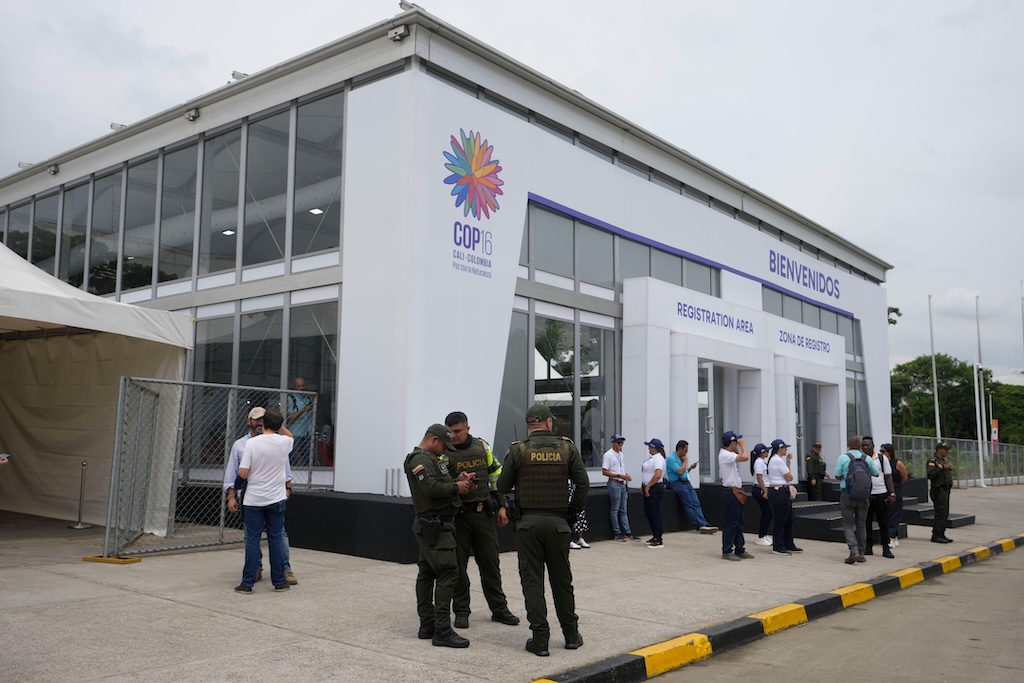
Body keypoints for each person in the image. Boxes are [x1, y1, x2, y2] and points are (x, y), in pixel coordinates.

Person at [497, 403, 588, 657]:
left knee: (532, 581)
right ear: (549, 422)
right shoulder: (567, 448)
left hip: (527, 524)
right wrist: (572, 511)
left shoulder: (518, 450)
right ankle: (571, 635)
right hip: (559, 523)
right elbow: (583, 483)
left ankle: (540, 639)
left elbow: (502, 485)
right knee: (562, 581)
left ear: (529, 424)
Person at [442, 411, 520, 630]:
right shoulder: (443, 453)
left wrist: (503, 505)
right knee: (458, 567)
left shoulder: (482, 447)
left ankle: (499, 609)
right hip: (458, 517)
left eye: (457, 431)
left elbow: (496, 477)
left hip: (483, 514)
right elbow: (439, 483)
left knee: (490, 565)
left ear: (467, 428)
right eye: (449, 432)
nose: (453, 436)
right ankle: (461, 611)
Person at [405, 423, 476, 648]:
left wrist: (459, 481)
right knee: (448, 573)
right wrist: (457, 489)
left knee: (427, 572)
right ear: (434, 440)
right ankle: (442, 629)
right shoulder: (420, 460)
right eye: (444, 445)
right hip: (435, 526)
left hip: (436, 525)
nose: (445, 450)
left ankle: (427, 625)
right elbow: (431, 489)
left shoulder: (431, 459)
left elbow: (439, 483)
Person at [224, 407, 297, 585]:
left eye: (261, 419)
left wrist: (288, 487)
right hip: (274, 498)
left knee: (260, 538)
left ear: (264, 423)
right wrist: (231, 496)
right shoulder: (281, 442)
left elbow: (241, 472)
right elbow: (290, 439)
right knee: (273, 538)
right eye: (255, 419)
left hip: (253, 498)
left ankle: (248, 581)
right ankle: (278, 579)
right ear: (249, 421)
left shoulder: (251, 445)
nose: (258, 422)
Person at [834, 435, 880, 564]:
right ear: (860, 446)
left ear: (848, 445)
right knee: (861, 524)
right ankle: (861, 552)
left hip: (847, 494)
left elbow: (837, 475)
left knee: (848, 523)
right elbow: (876, 473)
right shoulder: (866, 458)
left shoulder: (843, 457)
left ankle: (853, 551)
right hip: (864, 495)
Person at [665, 440, 717, 533]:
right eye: (685, 450)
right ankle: (699, 525)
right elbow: (679, 472)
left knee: (696, 503)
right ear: (680, 449)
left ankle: (703, 523)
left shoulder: (680, 458)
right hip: (677, 483)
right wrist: (685, 461)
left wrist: (689, 468)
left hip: (686, 482)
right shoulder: (671, 459)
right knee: (689, 504)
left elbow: (683, 472)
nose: (686, 453)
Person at [719, 431, 754, 561]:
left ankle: (739, 548)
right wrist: (743, 445)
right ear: (732, 442)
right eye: (736, 442)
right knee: (731, 523)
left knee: (739, 522)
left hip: (736, 491)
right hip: (730, 492)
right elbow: (745, 457)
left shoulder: (730, 454)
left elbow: (740, 456)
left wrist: (738, 446)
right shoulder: (725, 454)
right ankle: (727, 550)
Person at [765, 439, 801, 556]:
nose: (786, 450)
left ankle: (788, 543)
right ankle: (778, 546)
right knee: (781, 520)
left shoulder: (777, 460)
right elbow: (789, 477)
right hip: (778, 491)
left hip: (781, 490)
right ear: (780, 448)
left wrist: (788, 462)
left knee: (788, 519)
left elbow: (788, 476)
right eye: (785, 448)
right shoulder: (777, 460)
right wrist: (787, 466)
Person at [601, 434, 640, 541]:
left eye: (622, 443)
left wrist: (625, 475)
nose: (620, 445)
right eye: (618, 443)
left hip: (622, 483)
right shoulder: (608, 455)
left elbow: (619, 469)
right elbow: (604, 471)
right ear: (613, 443)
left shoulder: (621, 455)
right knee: (615, 509)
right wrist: (619, 475)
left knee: (623, 509)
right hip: (615, 483)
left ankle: (627, 532)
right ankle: (617, 533)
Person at [861, 436, 895, 558]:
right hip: (866, 495)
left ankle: (886, 548)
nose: (865, 447)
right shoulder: (860, 459)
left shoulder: (882, 458)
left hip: (880, 494)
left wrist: (892, 493)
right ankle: (868, 547)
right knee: (867, 522)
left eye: (868, 445)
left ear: (873, 445)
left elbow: (888, 476)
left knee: (883, 523)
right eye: (863, 445)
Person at [640, 438, 667, 548]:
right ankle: (654, 534)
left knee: (654, 512)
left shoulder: (658, 459)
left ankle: (658, 537)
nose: (648, 449)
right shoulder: (652, 458)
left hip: (654, 487)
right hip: (648, 486)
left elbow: (658, 474)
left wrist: (649, 486)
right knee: (648, 512)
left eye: (650, 447)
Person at [927, 441, 954, 543]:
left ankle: (942, 533)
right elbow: (930, 475)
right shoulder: (933, 461)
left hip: (945, 489)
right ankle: (936, 535)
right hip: (938, 489)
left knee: (945, 512)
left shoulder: (943, 461)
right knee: (940, 512)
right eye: (945, 450)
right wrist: (940, 469)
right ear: (939, 450)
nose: (947, 452)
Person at [882, 443, 908, 547]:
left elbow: (904, 477)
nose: (882, 453)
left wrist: (896, 486)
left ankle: (891, 537)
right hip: (885, 490)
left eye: (883, 451)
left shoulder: (897, 463)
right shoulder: (882, 462)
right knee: (886, 515)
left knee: (894, 514)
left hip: (896, 490)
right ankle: (892, 535)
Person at [286, 377, 314, 466]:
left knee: (308, 457)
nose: (301, 388)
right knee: (293, 457)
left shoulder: (308, 398)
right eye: (299, 386)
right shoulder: (291, 399)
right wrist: (303, 410)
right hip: (295, 432)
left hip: (307, 432)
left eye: (303, 386)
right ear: (295, 387)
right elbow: (290, 417)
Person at [751, 444, 773, 546]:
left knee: (767, 513)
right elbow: (759, 477)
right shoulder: (759, 462)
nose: (767, 453)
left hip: (762, 488)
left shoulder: (762, 462)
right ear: (762, 452)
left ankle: (764, 534)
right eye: (766, 451)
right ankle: (761, 536)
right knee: (767, 512)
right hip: (760, 489)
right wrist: (765, 491)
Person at [568, 480, 591, 550]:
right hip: (566, 496)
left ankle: (579, 539)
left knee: (580, 515)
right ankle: (569, 540)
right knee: (568, 518)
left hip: (575, 495)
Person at [581, 399, 602, 466]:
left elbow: (584, 426)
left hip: (589, 438)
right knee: (596, 457)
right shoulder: (599, 414)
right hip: (597, 439)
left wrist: (581, 435)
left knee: (586, 456)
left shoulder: (588, 413)